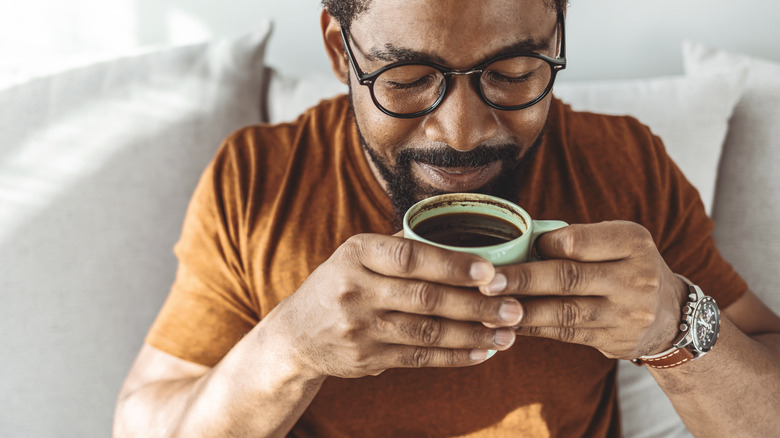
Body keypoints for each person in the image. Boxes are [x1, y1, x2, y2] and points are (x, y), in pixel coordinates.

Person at [113, 0, 780, 436]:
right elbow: (145, 421)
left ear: (557, 37)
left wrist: (674, 326)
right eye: (406, 79)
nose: (461, 132)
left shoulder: (624, 163)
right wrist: (291, 346)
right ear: (341, 53)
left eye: (513, 72)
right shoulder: (259, 181)